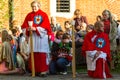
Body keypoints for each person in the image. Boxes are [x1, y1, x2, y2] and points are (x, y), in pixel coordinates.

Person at [21, 0, 52, 77]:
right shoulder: (29, 15)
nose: (33, 8)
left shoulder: (44, 15)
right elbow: (24, 26)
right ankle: (34, 70)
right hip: (33, 37)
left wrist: (36, 29)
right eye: (32, 6)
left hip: (41, 37)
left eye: (35, 6)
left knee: (41, 54)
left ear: (39, 6)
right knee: (33, 54)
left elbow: (46, 27)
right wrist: (28, 29)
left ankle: (43, 71)